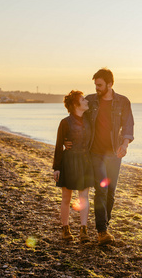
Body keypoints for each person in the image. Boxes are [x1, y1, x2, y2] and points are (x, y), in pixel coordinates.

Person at [86, 68, 134, 245]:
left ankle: (105, 225)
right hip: (95, 152)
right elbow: (77, 115)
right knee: (101, 189)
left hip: (114, 153)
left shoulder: (123, 102)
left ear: (110, 84)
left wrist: (124, 145)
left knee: (111, 192)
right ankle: (102, 231)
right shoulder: (90, 100)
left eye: (100, 85)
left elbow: (128, 125)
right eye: (95, 85)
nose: (97, 88)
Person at [53, 90, 94, 242]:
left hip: (85, 161)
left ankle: (83, 230)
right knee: (66, 197)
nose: (86, 101)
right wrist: (56, 168)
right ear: (76, 104)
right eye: (83, 100)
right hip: (69, 161)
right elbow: (58, 145)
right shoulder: (65, 122)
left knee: (84, 196)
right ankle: (65, 229)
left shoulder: (89, 121)